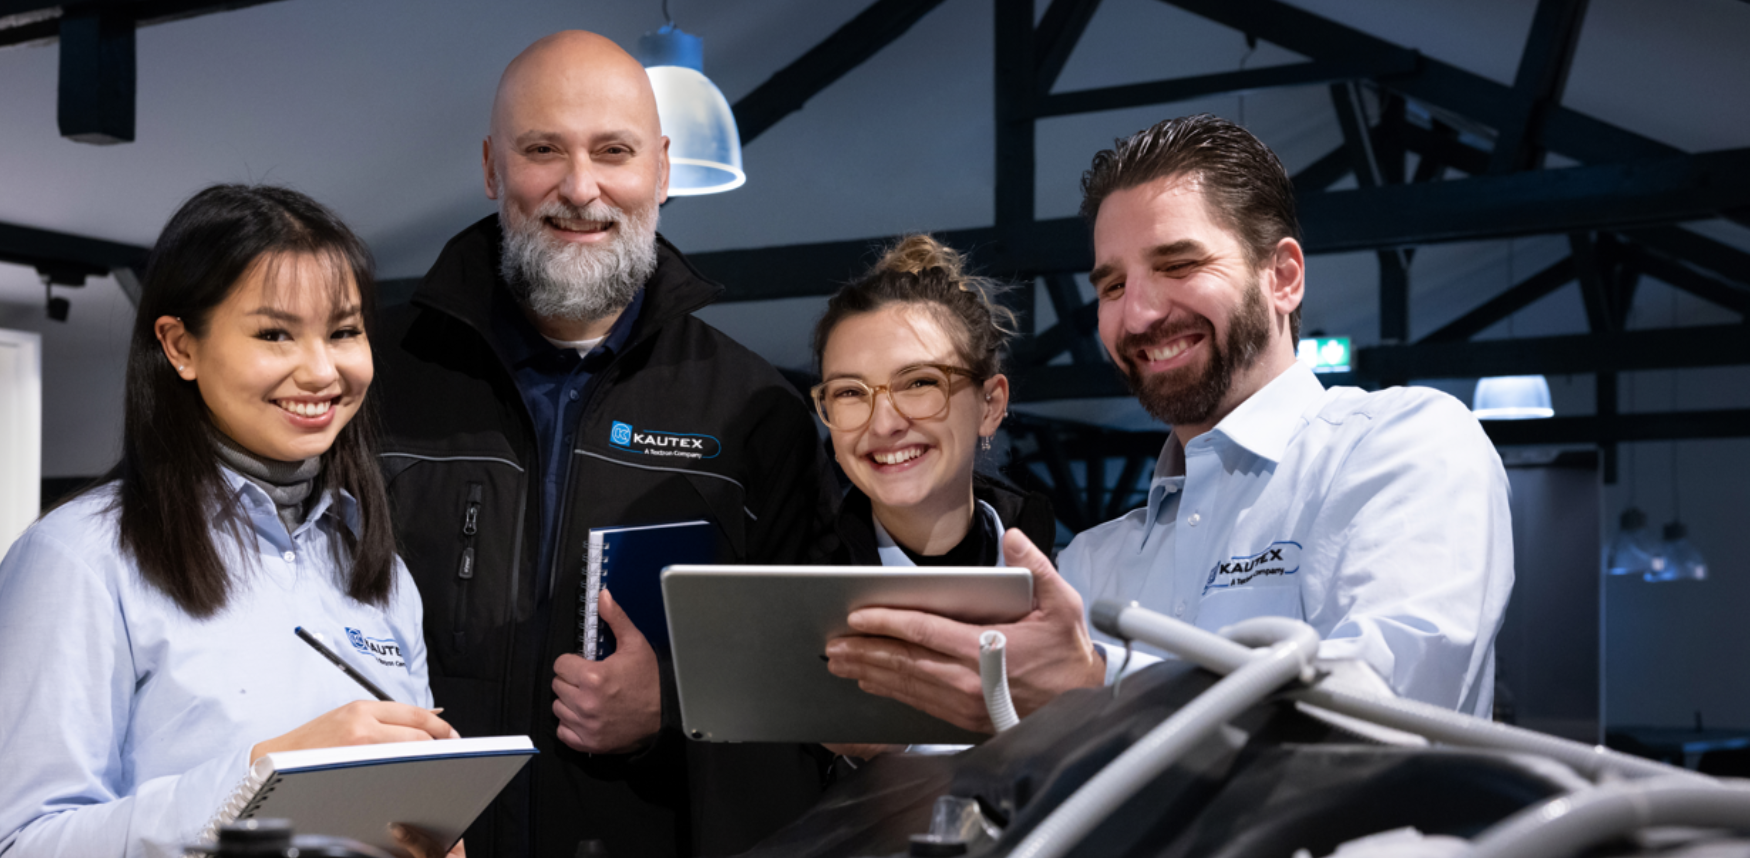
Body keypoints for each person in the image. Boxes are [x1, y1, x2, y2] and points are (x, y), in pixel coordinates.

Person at [824, 114, 1514, 729]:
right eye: (1113, 285)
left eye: (1178, 264)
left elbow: (1386, 710)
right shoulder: (1097, 559)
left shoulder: (1402, 443)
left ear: (1283, 277)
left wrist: (1095, 688)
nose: (1140, 314)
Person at [370, 31, 835, 858]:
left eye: (612, 152)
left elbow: (817, 678)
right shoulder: (376, 377)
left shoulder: (755, 407)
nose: (580, 188)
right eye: (543, 149)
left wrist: (679, 704)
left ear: (660, 170)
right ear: (491, 167)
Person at [0, 185, 459, 858]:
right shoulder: (79, 558)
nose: (321, 370)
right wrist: (264, 780)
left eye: (344, 332)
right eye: (274, 334)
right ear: (180, 347)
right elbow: (22, 845)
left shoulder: (373, 566)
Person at [809, 234, 1056, 568]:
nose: (883, 424)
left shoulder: (1074, 582)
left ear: (990, 404)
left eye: (919, 383)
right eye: (849, 392)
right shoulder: (800, 605)